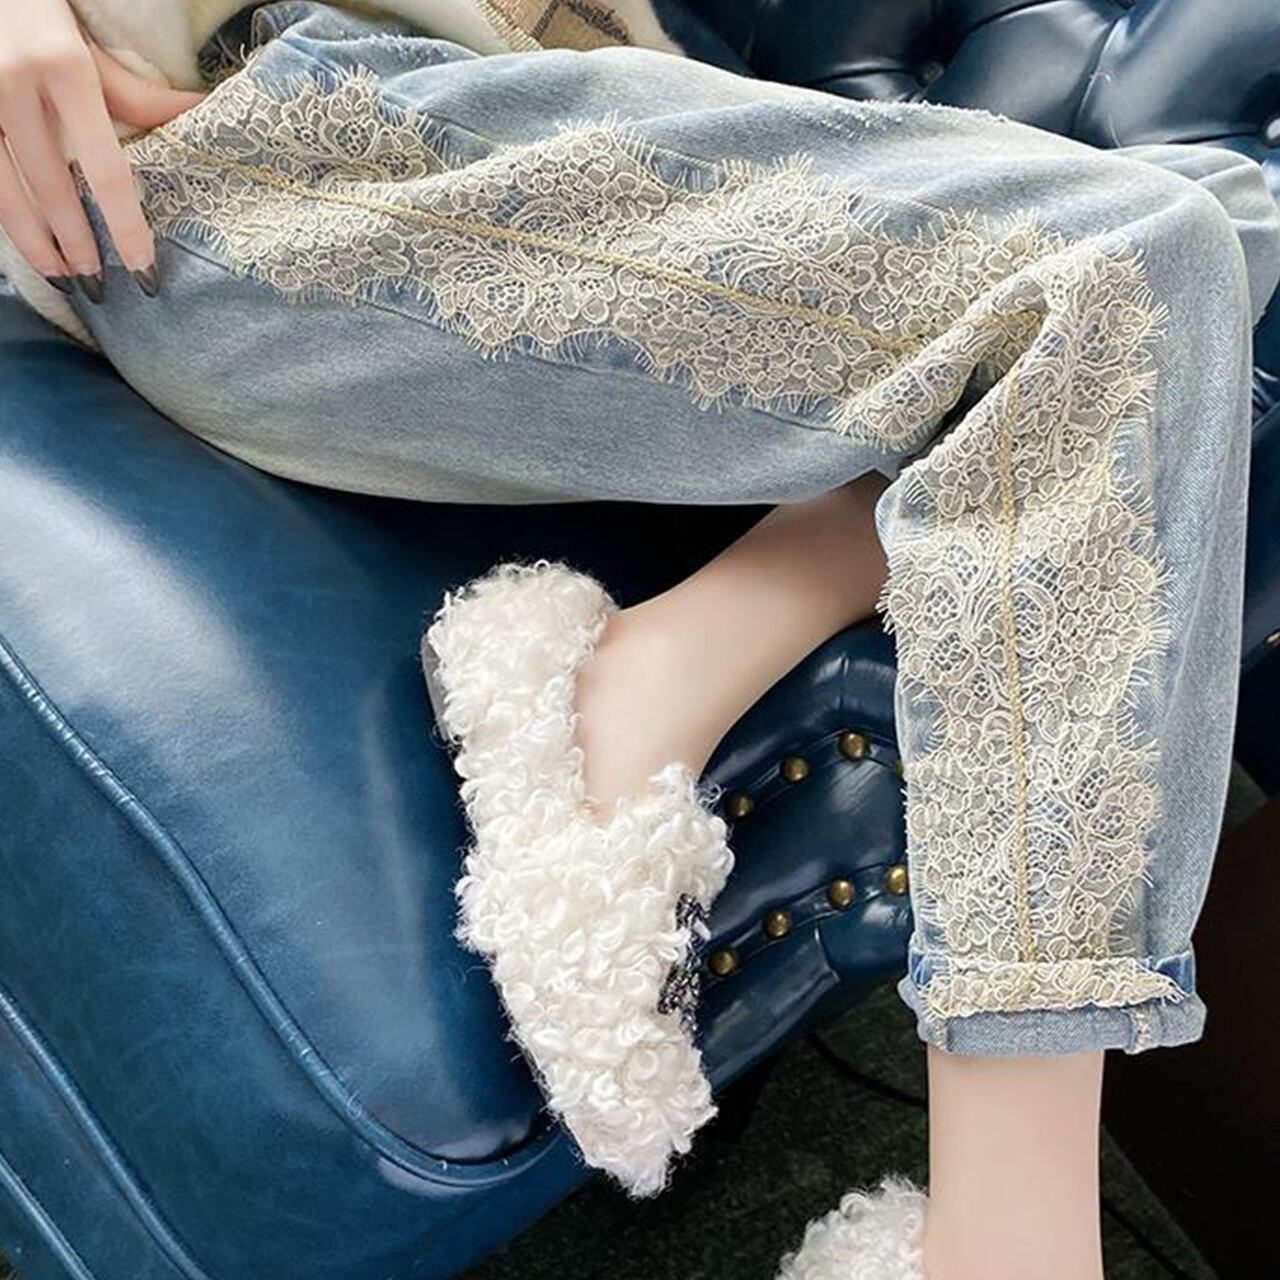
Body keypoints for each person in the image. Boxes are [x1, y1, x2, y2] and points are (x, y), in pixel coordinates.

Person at [2, 3, 1277, 1278]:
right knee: (1131, 274)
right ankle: (1010, 1246)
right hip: (250, 148)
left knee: (1222, 220)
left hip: (554, 101)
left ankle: (668, 662)